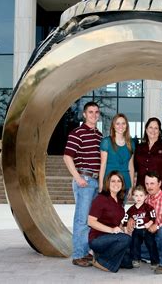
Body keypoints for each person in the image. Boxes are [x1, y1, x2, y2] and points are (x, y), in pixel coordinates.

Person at [63, 101, 102, 267]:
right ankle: (78, 254)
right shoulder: (77, 133)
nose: (93, 115)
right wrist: (78, 177)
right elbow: (67, 156)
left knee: (89, 219)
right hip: (84, 180)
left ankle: (85, 252)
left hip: (96, 181)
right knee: (81, 219)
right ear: (84, 114)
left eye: (96, 112)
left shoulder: (99, 135)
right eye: (90, 112)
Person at [88, 171, 133, 272]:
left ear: (122, 184)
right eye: (113, 181)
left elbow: (116, 221)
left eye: (119, 181)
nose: (116, 184)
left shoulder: (119, 200)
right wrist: (111, 230)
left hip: (112, 239)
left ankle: (103, 256)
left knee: (128, 263)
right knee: (125, 240)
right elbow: (91, 222)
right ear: (107, 183)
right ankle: (101, 261)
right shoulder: (101, 199)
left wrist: (125, 229)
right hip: (98, 239)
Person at [134, 117, 162, 192]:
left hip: (160, 189)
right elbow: (135, 166)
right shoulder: (139, 147)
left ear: (159, 131)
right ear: (146, 129)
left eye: (156, 128)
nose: (153, 130)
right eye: (150, 127)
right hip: (142, 190)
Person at [98, 113, 135, 199]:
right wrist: (100, 184)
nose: (121, 126)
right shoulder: (106, 142)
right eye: (117, 123)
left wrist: (131, 186)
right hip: (109, 183)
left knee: (119, 211)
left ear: (126, 126)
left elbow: (131, 166)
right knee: (108, 211)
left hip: (125, 184)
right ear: (113, 126)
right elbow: (103, 165)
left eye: (123, 123)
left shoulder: (131, 143)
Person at [122, 185, 159, 269]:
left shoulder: (148, 207)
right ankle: (136, 259)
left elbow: (153, 217)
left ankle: (155, 261)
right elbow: (126, 219)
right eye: (136, 195)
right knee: (134, 244)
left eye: (141, 195)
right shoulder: (131, 209)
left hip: (147, 230)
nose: (139, 198)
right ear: (133, 197)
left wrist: (150, 222)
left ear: (145, 196)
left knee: (151, 244)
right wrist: (125, 228)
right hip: (137, 230)